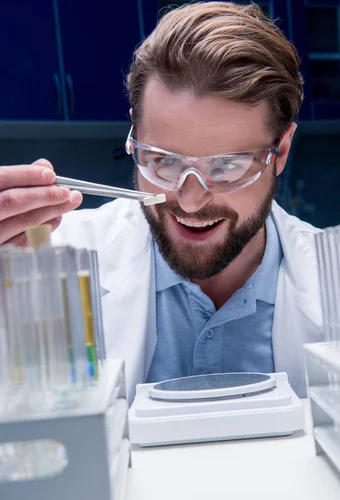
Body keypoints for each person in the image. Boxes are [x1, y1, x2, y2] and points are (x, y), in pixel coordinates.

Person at [0, 2, 323, 403]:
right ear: (134, 137)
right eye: (164, 161)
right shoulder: (37, 260)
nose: (189, 202)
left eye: (227, 166)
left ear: (282, 150)